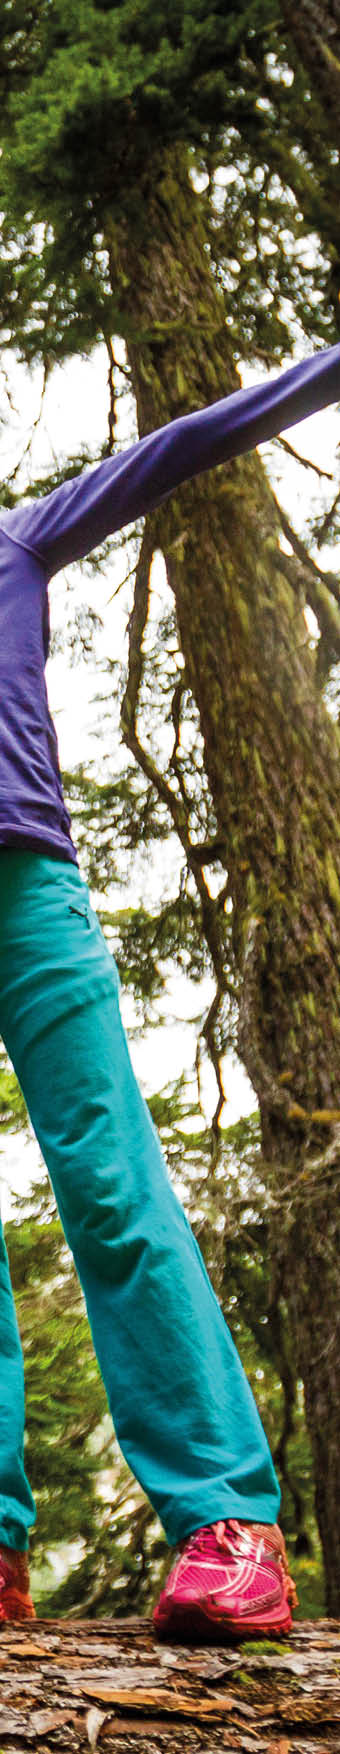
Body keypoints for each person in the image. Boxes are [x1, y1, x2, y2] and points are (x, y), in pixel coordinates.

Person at [0, 341, 339, 1639]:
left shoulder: (18, 541)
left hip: (29, 888)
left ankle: (227, 1520)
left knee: (110, 1179)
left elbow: (181, 443)